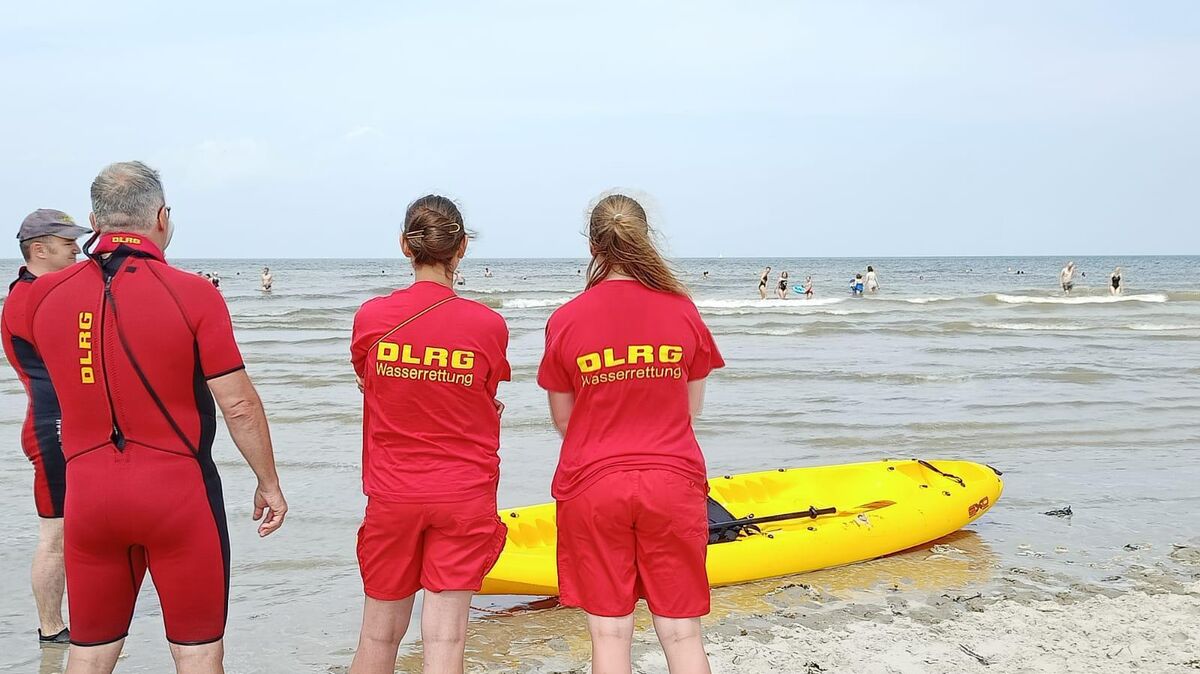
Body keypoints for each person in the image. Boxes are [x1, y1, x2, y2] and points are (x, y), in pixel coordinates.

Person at [23, 161, 287, 674]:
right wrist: (269, 483)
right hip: (178, 494)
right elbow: (238, 404)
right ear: (162, 217)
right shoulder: (194, 293)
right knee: (197, 652)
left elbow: (50, 383)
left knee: (90, 651)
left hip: (89, 495)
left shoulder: (44, 298)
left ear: (94, 223)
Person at [539, 193, 724, 673]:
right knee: (682, 634)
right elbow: (691, 408)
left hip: (593, 485)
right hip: (672, 481)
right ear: (644, 239)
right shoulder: (682, 310)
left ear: (593, 246)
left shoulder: (566, 319)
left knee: (609, 634)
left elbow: (565, 420)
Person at [349, 195, 510, 674]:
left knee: (378, 635)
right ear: (462, 248)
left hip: (393, 491)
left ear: (405, 245)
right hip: (463, 492)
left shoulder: (371, 317)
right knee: (445, 638)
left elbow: (368, 380)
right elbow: (483, 392)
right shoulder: (488, 325)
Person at [2, 209, 91, 646]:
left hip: (69, 424)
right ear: (39, 249)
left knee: (81, 528)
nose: (77, 249)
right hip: (51, 426)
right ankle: (52, 629)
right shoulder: (26, 297)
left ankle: (88, 619)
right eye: (68, 243)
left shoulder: (44, 291)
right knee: (55, 533)